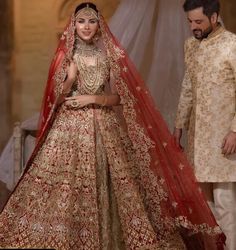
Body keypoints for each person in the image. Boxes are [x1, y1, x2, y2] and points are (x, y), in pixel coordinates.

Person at [0, 2, 225, 249]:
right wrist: (71, 77)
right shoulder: (66, 54)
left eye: (91, 21)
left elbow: (120, 98)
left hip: (106, 124)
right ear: (74, 25)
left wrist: (93, 98)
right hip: (69, 130)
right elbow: (56, 97)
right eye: (81, 21)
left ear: (99, 25)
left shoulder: (109, 55)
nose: (86, 27)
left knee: (112, 181)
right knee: (66, 187)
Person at [174, 0, 236, 249]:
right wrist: (179, 124)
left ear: (214, 17)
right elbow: (188, 85)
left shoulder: (232, 44)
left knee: (224, 204)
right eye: (190, 22)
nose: (193, 27)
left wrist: (235, 130)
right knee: (204, 207)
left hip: (225, 141)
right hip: (198, 139)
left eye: (198, 21)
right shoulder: (191, 46)